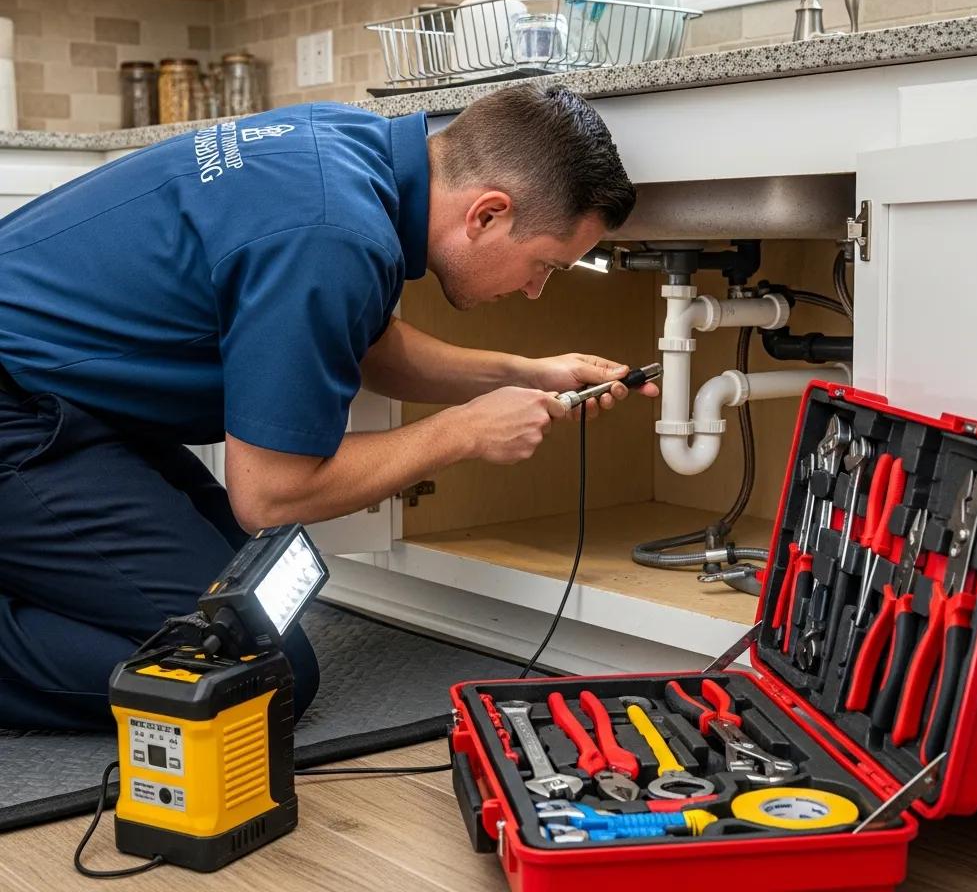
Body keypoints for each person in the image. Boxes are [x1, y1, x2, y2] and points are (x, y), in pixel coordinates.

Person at [0, 84, 653, 731]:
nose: (537, 291)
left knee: (248, 602)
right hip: (20, 416)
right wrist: (464, 433)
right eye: (546, 264)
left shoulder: (351, 152)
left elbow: (362, 338)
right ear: (486, 214)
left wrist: (526, 373)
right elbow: (271, 496)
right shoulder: (334, 236)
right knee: (261, 674)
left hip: (68, 407)